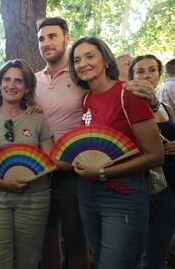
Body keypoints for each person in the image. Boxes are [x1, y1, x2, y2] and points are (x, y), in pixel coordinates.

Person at [68, 37, 164, 269]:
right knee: (101, 261)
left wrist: (102, 171)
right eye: (77, 60)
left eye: (90, 56)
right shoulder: (86, 99)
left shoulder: (129, 94)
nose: (83, 63)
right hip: (87, 192)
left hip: (124, 194)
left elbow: (155, 155)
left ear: (105, 60)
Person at [0, 59, 56, 269]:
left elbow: (51, 160)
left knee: (28, 262)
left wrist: (78, 161)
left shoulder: (38, 119)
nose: (11, 85)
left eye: (19, 81)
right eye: (7, 79)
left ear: (27, 88)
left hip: (34, 199)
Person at [35, 17, 89, 269]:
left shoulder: (83, 76)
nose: (46, 42)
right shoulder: (33, 80)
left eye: (52, 36)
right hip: (40, 170)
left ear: (67, 38)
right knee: (46, 237)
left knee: (76, 239)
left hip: (73, 170)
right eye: (41, 38)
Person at [128, 55, 175, 269]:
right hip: (143, 185)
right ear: (131, 76)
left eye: (152, 69)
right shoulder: (127, 106)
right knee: (138, 250)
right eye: (140, 71)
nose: (147, 75)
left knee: (159, 249)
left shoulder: (166, 106)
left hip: (170, 185)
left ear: (159, 74)